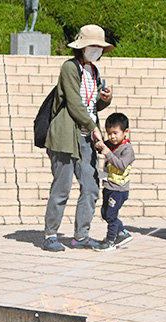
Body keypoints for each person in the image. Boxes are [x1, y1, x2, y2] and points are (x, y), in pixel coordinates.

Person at [42, 25, 113, 252]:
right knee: (61, 187)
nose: (96, 50)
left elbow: (92, 104)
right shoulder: (69, 68)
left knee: (91, 187)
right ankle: (51, 234)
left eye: (99, 47)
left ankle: (81, 235)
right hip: (65, 135)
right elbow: (73, 103)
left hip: (86, 137)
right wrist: (93, 127)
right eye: (92, 46)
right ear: (82, 47)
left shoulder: (94, 72)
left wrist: (105, 99)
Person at [94, 113, 135, 251]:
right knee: (105, 212)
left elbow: (121, 165)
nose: (112, 137)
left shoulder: (127, 149)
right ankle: (122, 232)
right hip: (108, 186)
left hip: (119, 190)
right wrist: (99, 144)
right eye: (109, 133)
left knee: (111, 215)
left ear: (125, 132)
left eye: (115, 133)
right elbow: (100, 148)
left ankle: (110, 240)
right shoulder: (110, 144)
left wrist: (107, 152)